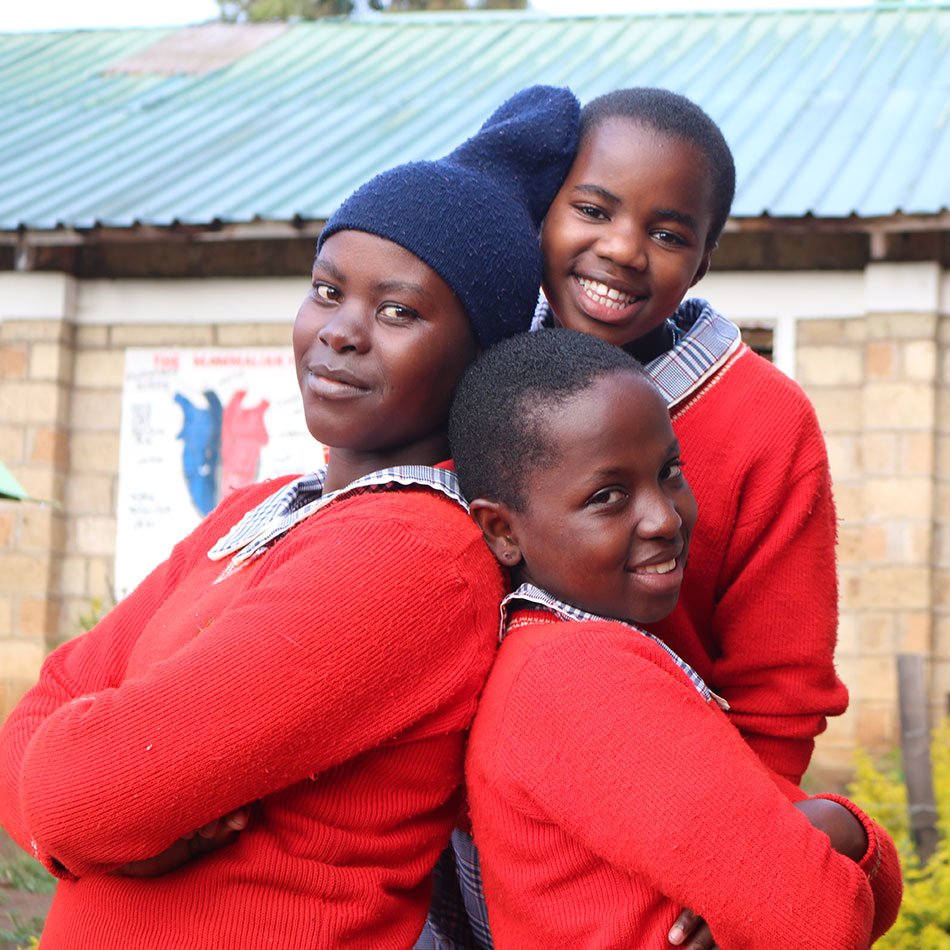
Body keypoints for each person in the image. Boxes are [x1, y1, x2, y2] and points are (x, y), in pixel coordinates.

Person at [0, 85, 580, 950]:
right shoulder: (263, 509)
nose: (340, 332)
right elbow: (36, 727)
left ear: (479, 358)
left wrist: (91, 809)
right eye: (326, 290)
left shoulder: (415, 556)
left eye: (398, 311)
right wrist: (92, 821)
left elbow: (82, 789)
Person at [419, 86, 852, 950]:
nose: (620, 250)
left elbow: (780, 690)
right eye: (591, 209)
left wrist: (738, 864)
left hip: (648, 859)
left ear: (703, 260)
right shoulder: (471, 373)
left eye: (667, 233)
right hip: (432, 833)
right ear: (543, 213)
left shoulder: (765, 424)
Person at [448, 328, 901, 949]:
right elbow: (818, 921)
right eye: (608, 497)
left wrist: (835, 840)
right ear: (502, 531)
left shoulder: (556, 655)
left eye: (670, 472)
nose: (664, 517)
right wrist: (843, 831)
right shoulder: (582, 680)